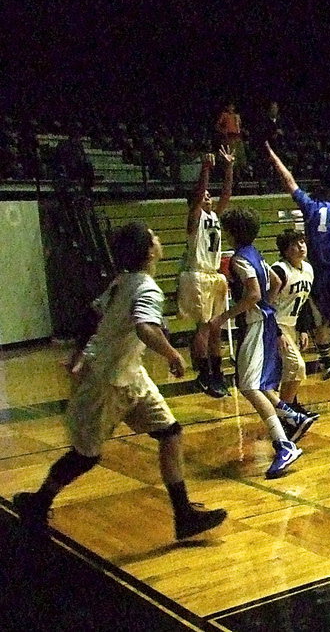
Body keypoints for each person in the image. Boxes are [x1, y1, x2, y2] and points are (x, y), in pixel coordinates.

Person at [11, 222, 227, 540]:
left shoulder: (121, 281)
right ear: (149, 251)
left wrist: (77, 353)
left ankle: (183, 515)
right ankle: (38, 502)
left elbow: (92, 316)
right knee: (85, 456)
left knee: (170, 433)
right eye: (154, 236)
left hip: (131, 375)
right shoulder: (145, 288)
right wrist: (172, 354)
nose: (158, 238)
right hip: (107, 381)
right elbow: (144, 327)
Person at [210, 207, 309, 477]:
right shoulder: (255, 253)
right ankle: (291, 416)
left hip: (255, 325)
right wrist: (269, 306)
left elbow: (253, 294)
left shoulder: (240, 259)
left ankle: (284, 444)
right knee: (259, 384)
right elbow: (275, 281)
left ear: (230, 232)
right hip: (263, 322)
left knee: (249, 386)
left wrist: (224, 317)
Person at [265, 142, 330, 381]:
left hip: (318, 270)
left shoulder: (311, 207)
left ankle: (326, 359)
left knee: (321, 318)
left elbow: (289, 182)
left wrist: (274, 157)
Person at [178, 146, 234, 398]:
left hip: (213, 275)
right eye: (205, 195)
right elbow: (200, 191)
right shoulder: (195, 217)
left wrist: (229, 168)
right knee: (203, 328)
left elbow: (227, 195)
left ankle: (217, 372)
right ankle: (203, 373)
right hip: (197, 274)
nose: (209, 197)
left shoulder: (214, 216)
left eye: (210, 195)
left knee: (216, 328)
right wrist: (206, 169)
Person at [270, 230, 320, 426]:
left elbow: (303, 302)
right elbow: (267, 305)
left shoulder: (308, 269)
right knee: (296, 366)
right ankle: (286, 414)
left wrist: (304, 329)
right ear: (285, 250)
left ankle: (293, 407)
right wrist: (277, 332)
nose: (301, 247)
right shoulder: (279, 271)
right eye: (294, 244)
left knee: (291, 370)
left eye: (302, 242)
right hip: (275, 324)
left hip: (292, 324)